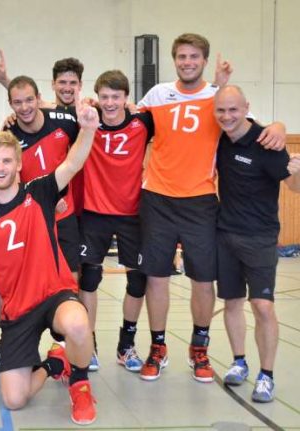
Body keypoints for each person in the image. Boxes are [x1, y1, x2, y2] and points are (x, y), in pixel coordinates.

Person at [136, 33, 286, 382]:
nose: (187, 62)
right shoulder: (157, 94)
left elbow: (253, 126)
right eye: (182, 57)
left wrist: (279, 127)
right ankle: (158, 348)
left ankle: (199, 348)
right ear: (175, 60)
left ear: (203, 61)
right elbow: (123, 120)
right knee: (156, 279)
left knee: (203, 281)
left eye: (194, 57)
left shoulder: (217, 98)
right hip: (157, 198)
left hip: (201, 202)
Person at [0, 98, 99, 424]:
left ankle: (79, 382)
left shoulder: (41, 192)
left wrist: (88, 128)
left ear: (18, 164)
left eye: (7, 161)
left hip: (54, 295)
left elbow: (73, 163)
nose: (1, 167)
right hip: (17, 312)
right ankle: (54, 364)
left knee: (78, 323)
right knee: (14, 399)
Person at [213, 85, 300, 402]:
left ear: (246, 107)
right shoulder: (219, 138)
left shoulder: (268, 141)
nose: (227, 116)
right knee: (232, 302)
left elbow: (294, 187)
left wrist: (297, 171)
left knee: (263, 306)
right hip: (225, 234)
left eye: (233, 109)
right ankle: (239, 362)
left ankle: (267, 374)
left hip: (260, 237)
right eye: (221, 110)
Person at [79, 70, 153, 372]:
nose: (110, 103)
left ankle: (126, 345)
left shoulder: (144, 122)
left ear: (126, 98)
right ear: (98, 97)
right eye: (105, 97)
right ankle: (89, 344)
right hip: (94, 212)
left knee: (138, 280)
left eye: (116, 97)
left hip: (132, 214)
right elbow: (48, 110)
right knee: (89, 280)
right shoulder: (87, 120)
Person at [5, 76, 82, 281]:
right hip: (33, 218)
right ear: (10, 104)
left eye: (29, 100)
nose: (24, 107)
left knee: (71, 278)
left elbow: (105, 113)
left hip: (65, 214)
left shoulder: (65, 121)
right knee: (36, 280)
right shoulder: (8, 133)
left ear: (39, 98)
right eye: (17, 102)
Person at [0, 50, 85, 108]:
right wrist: (3, 79)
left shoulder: (90, 112)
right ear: (53, 84)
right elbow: (24, 95)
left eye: (73, 83)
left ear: (80, 85)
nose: (67, 88)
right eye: (62, 82)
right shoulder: (43, 110)